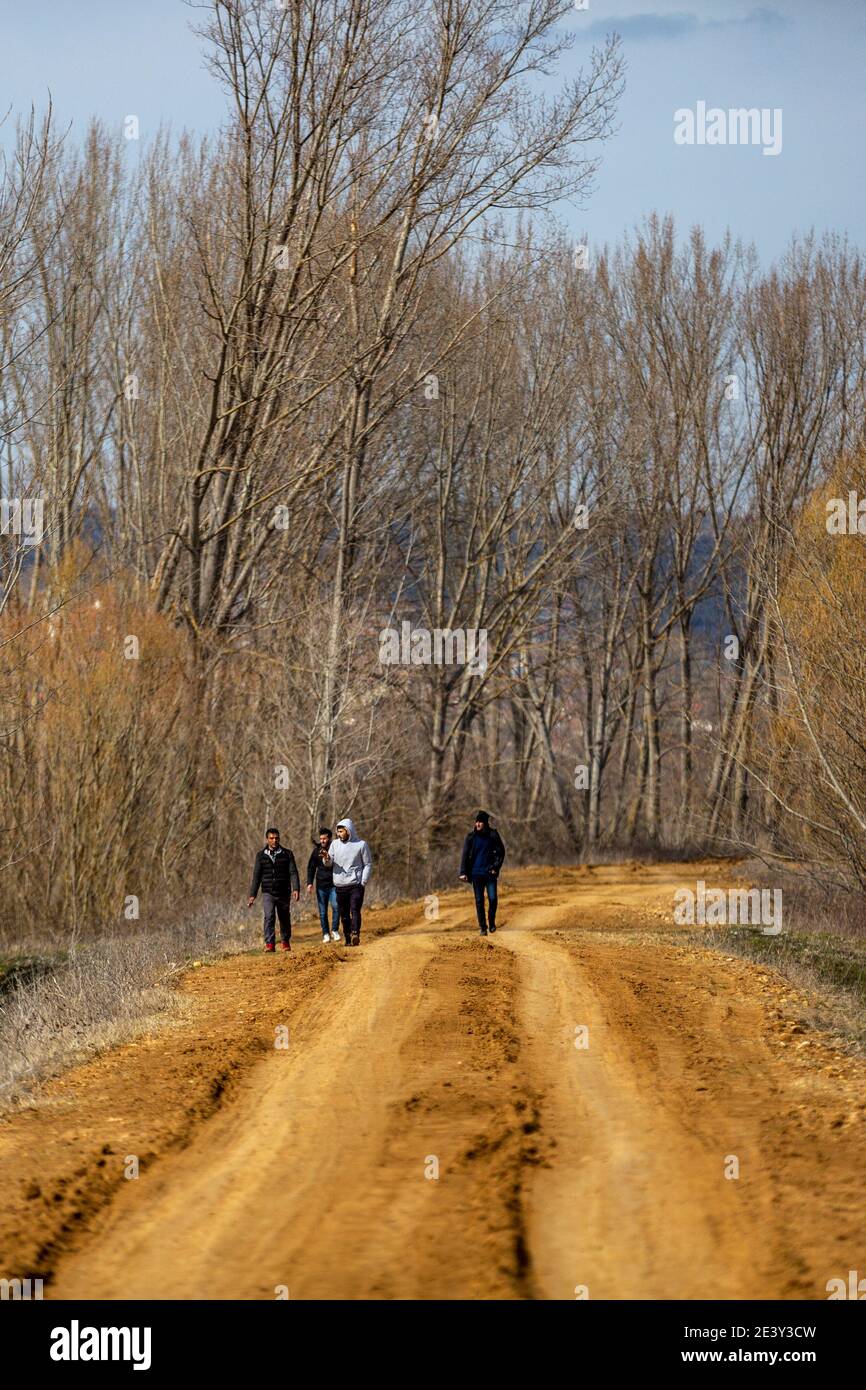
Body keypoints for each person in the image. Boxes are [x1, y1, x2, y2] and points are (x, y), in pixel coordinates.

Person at [248, 827, 300, 952]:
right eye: (272, 838)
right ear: (267, 839)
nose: (274, 840)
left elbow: (293, 872)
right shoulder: (260, 856)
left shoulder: (287, 854)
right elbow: (256, 876)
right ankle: (270, 944)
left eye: (276, 838)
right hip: (267, 892)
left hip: (283, 891)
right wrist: (252, 894)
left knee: (284, 917)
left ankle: (285, 941)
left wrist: (296, 888)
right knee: (269, 916)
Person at [324, 817, 372, 947]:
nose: (339, 834)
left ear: (348, 830)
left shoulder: (361, 844)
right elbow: (329, 863)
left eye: (341, 831)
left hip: (356, 885)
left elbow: (367, 864)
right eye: (338, 832)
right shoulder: (334, 844)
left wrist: (363, 881)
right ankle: (348, 938)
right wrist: (326, 858)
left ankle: (355, 932)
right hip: (340, 885)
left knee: (355, 909)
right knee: (344, 914)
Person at [459, 810, 506, 936]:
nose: (478, 824)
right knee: (479, 901)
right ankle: (483, 927)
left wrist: (496, 867)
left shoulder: (493, 835)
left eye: (480, 822)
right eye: (476, 822)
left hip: (490, 874)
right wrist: (463, 872)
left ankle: (491, 923)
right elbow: (465, 855)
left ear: (485, 823)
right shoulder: (471, 837)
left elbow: (501, 853)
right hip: (476, 874)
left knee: (493, 899)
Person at [306, 827, 340, 943]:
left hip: (334, 885)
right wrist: (309, 883)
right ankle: (325, 933)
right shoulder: (316, 851)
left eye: (324, 838)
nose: (322, 841)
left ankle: (334, 930)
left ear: (329, 838)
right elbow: (311, 868)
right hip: (321, 886)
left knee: (336, 907)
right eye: (321, 839)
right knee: (322, 911)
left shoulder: (335, 849)